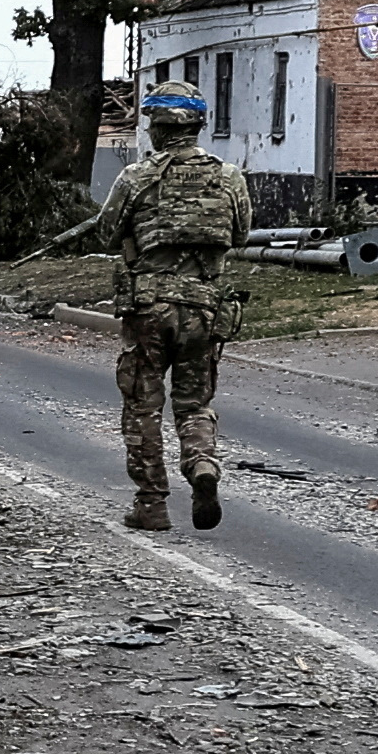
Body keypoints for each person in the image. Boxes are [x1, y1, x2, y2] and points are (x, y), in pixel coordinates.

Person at [94, 80, 252, 532]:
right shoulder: (229, 177)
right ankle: (202, 465)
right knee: (194, 402)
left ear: (156, 127)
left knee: (143, 406)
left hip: (148, 308)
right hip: (204, 308)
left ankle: (152, 504)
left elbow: (107, 233)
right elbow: (240, 235)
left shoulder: (136, 177)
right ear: (199, 125)